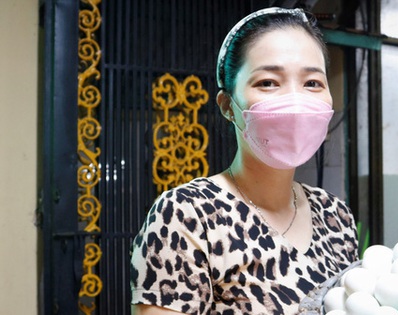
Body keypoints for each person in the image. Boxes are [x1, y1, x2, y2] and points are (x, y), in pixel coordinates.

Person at [130, 7, 359, 315]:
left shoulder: (336, 215)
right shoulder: (188, 216)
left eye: (313, 83)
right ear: (227, 105)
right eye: (267, 82)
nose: (294, 101)